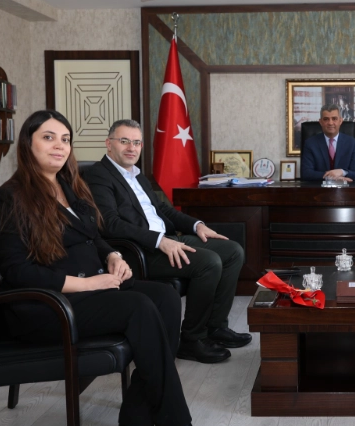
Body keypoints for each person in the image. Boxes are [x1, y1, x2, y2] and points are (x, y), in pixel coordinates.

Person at [0, 110, 208, 426]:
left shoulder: (67, 185)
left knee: (164, 296)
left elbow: (92, 236)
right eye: (48, 137)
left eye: (65, 139)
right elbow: (18, 272)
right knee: (138, 307)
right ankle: (176, 421)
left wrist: (113, 256)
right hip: (47, 306)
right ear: (27, 144)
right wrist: (90, 284)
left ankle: (137, 415)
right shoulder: (9, 198)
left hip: (89, 290)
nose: (59, 146)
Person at [83, 119, 250, 365]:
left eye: (136, 142)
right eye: (124, 141)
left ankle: (215, 328)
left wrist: (197, 225)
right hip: (139, 251)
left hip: (165, 239)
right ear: (109, 144)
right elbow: (110, 223)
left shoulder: (136, 175)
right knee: (209, 262)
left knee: (233, 251)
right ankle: (192, 339)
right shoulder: (99, 175)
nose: (131, 148)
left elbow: (162, 210)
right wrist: (159, 240)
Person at [300, 104, 355, 182]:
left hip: (345, 189)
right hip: (319, 188)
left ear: (340, 121)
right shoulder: (310, 144)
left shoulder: (351, 143)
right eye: (326, 119)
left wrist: (342, 172)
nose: (330, 123)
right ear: (320, 122)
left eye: (334, 119)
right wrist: (332, 177)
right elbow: (306, 174)